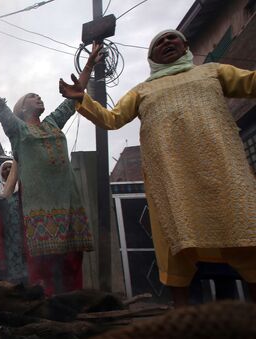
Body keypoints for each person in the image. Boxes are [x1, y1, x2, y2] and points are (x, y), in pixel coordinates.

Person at [59, 30, 256, 307]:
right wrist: (82, 98)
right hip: (172, 183)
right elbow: (112, 119)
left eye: (171, 38)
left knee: (248, 243)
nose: (166, 43)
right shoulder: (143, 90)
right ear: (152, 57)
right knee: (177, 253)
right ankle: (181, 324)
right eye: (158, 42)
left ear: (185, 46)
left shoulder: (212, 71)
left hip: (223, 174)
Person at [0, 44, 102, 296]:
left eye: (39, 95)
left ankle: (77, 313)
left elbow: (75, 95)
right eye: (32, 96)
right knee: (43, 271)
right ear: (22, 108)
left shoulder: (53, 123)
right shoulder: (17, 130)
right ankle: (46, 313)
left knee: (72, 264)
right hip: (39, 208)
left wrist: (89, 63)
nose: (39, 98)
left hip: (68, 202)